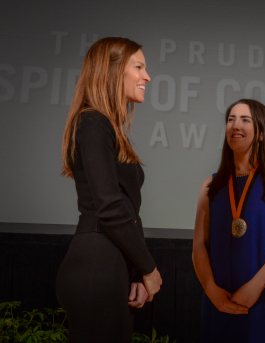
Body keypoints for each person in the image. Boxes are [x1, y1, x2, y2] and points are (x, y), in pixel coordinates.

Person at [56, 37, 162, 343]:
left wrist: (134, 274)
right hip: (96, 266)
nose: (147, 77)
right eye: (139, 67)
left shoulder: (104, 125)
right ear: (112, 71)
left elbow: (122, 206)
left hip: (108, 264)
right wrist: (149, 269)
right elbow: (110, 205)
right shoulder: (93, 122)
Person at [193, 99, 265, 343]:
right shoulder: (210, 186)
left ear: (262, 133)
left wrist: (257, 286)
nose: (236, 125)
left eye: (245, 120)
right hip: (221, 303)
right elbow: (199, 247)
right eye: (231, 119)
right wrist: (212, 291)